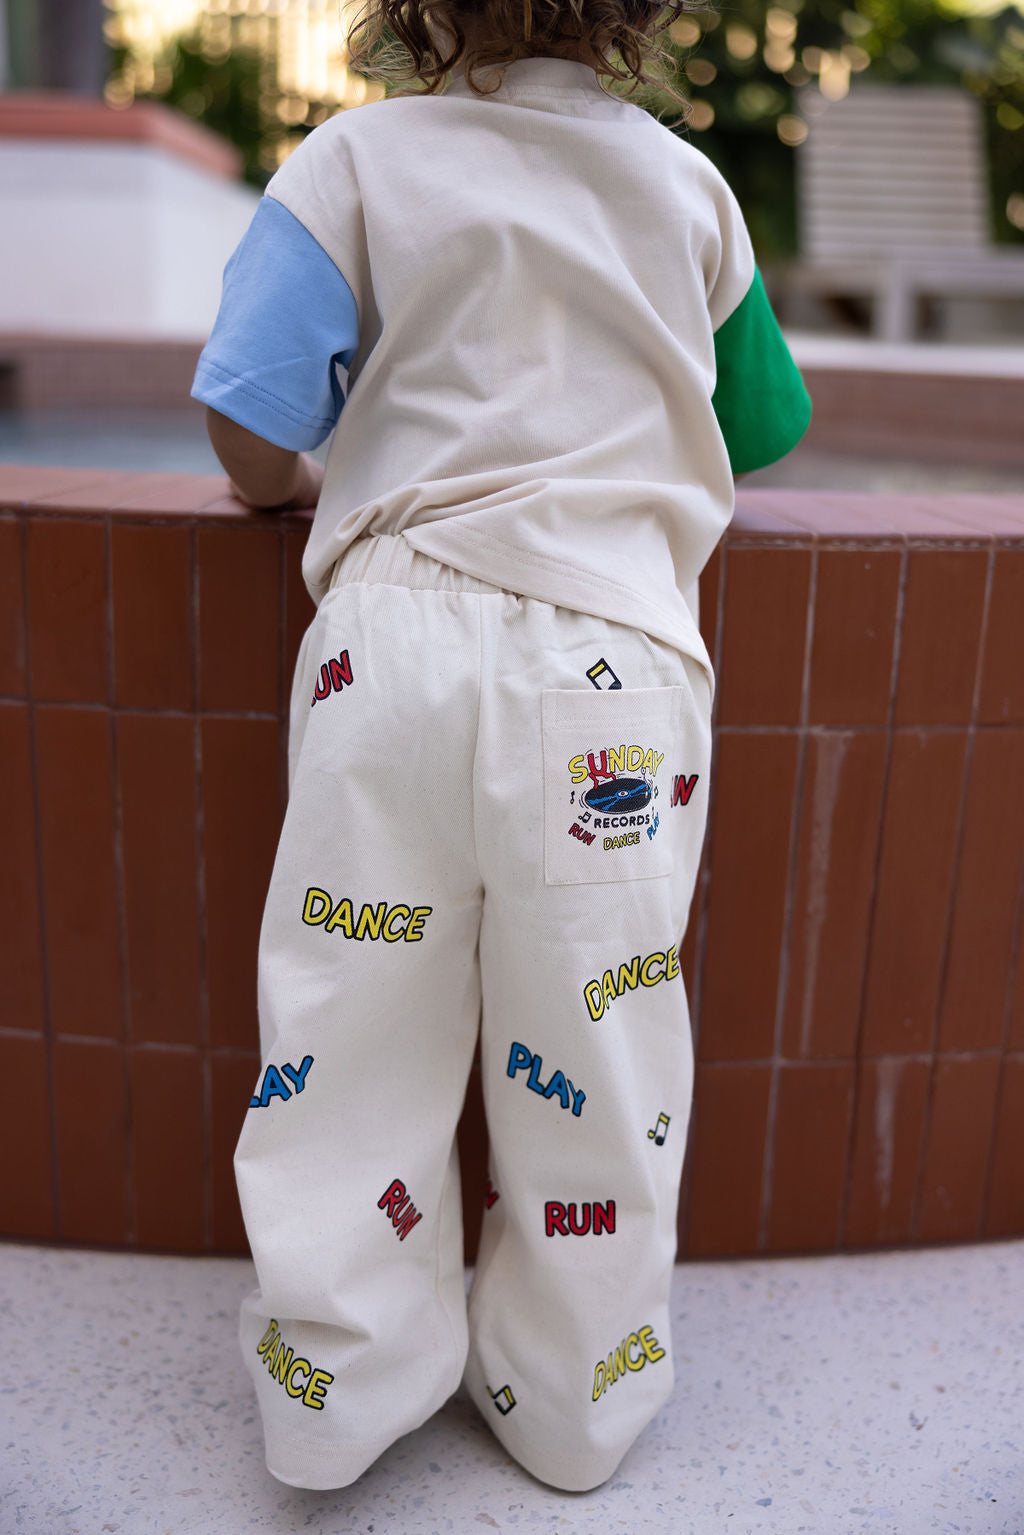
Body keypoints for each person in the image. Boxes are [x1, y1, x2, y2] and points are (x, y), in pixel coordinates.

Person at [191, 0, 812, 1496]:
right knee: (600, 1032)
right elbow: (764, 424)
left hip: (390, 649)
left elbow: (247, 419)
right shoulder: (687, 187)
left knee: (348, 1026)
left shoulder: (349, 161)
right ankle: (576, 1405)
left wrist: (293, 480)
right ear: (644, 20)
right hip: (616, 663)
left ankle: (332, 1397)